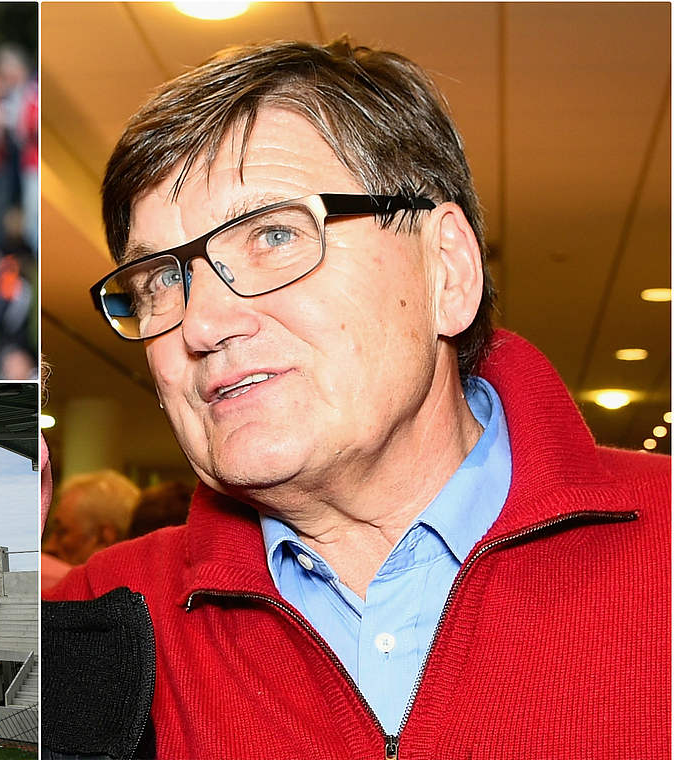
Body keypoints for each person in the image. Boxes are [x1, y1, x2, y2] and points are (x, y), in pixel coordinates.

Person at [43, 38, 670, 759]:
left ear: (448, 270)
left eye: (274, 234)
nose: (204, 324)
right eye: (159, 280)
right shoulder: (97, 624)